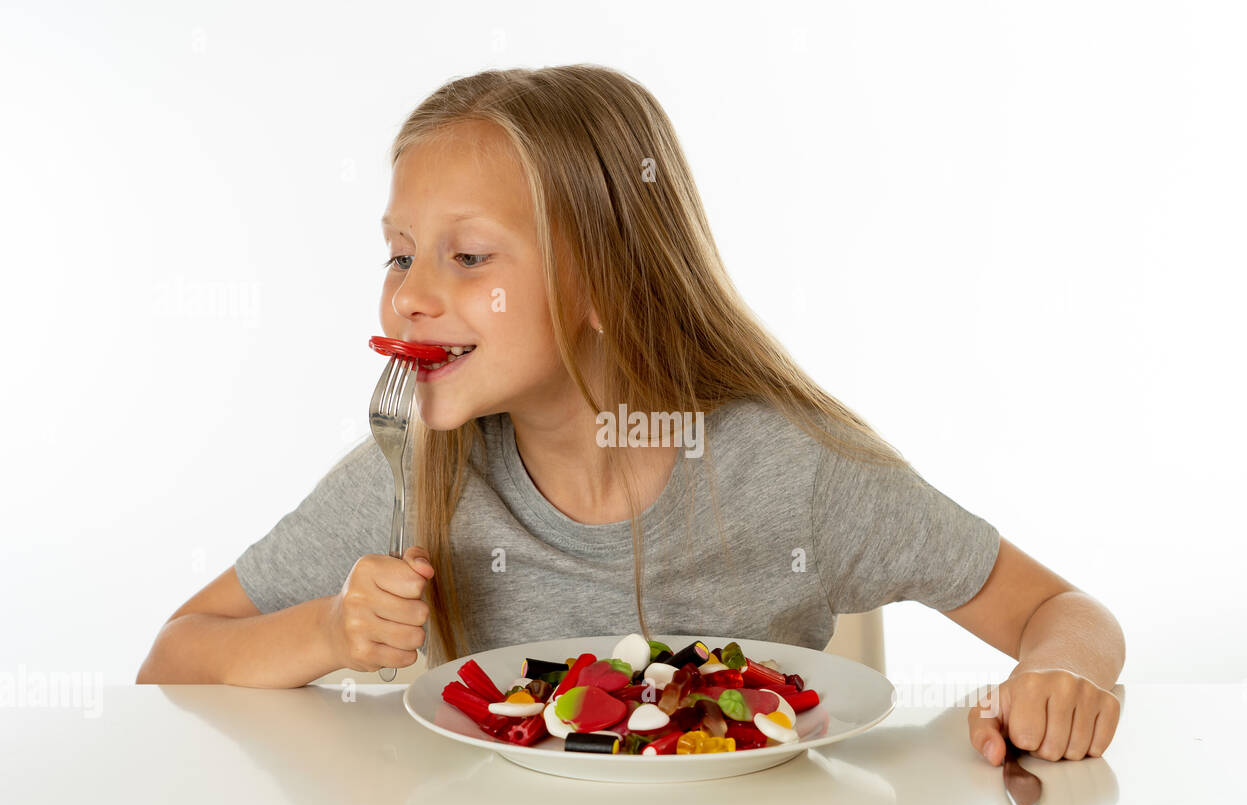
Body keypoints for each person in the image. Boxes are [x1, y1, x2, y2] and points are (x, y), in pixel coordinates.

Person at [138, 65, 1123, 766]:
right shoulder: (417, 473)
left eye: (466, 256)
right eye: (399, 254)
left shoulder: (790, 470)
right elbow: (173, 656)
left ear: (605, 281)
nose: (408, 295)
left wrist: (1056, 676)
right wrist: (329, 631)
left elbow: (1063, 612)